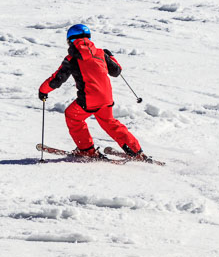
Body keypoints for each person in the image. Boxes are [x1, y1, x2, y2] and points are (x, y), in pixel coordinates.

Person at [38, 24, 143, 158]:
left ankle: (87, 150)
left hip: (88, 100)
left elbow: (57, 79)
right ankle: (136, 150)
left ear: (70, 40)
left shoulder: (72, 59)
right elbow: (116, 71)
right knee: (109, 122)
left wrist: (43, 90)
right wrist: (110, 56)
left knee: (72, 116)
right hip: (106, 99)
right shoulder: (101, 53)